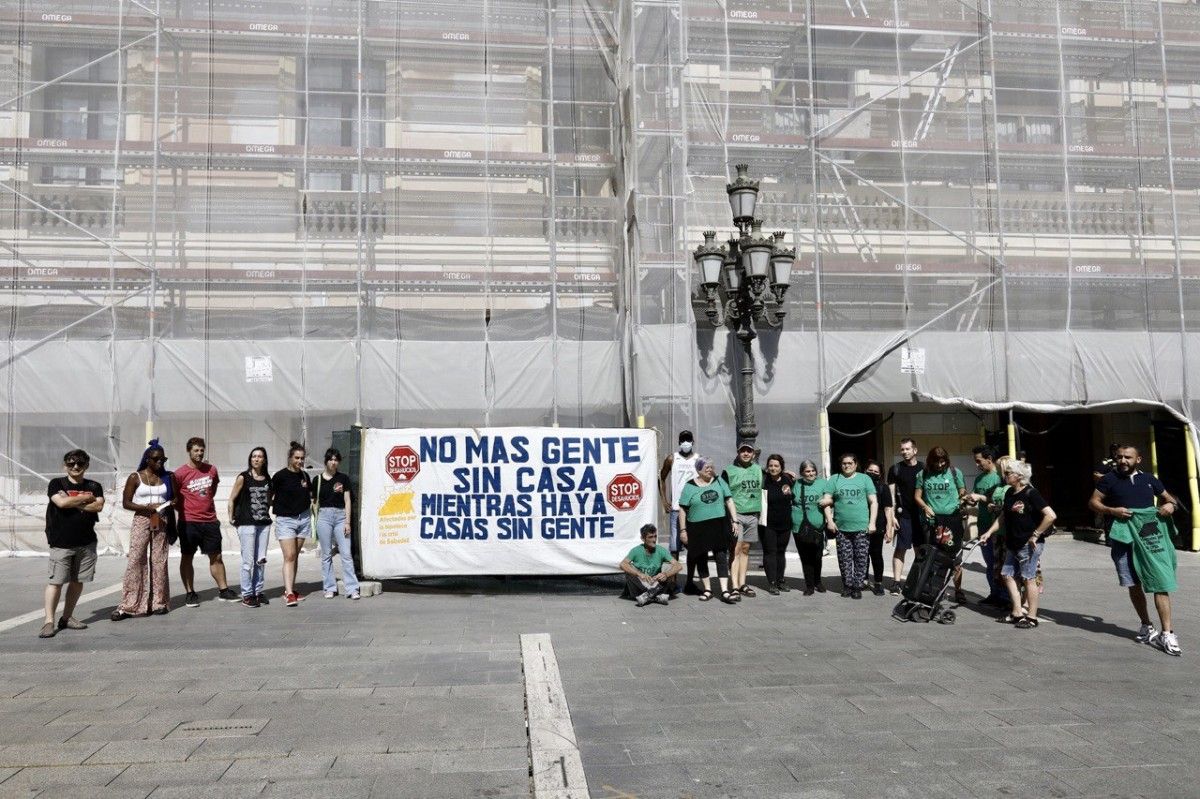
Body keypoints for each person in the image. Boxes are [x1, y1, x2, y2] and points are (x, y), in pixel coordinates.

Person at [1089, 444, 1182, 655]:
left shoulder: (1149, 479)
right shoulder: (1108, 480)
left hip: (1150, 538)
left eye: (1127, 457)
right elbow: (1093, 502)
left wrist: (1170, 506)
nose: (1122, 461)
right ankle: (1146, 625)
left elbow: (1170, 499)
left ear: (1138, 459)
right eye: (1119, 457)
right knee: (1133, 582)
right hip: (1123, 538)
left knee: (1160, 581)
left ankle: (1167, 633)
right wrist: (1111, 510)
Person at [980, 460, 1055, 629]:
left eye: (1007, 473)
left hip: (1028, 544)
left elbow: (1050, 516)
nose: (1004, 475)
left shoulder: (1031, 493)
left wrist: (1036, 535)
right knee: (1007, 575)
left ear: (1019, 476)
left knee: (1029, 579)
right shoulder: (1010, 493)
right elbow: (1003, 517)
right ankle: (1016, 612)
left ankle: (1032, 617)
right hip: (1013, 542)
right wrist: (989, 532)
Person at [40, 449, 104, 638]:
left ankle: (66, 617)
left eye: (80, 463)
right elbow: (60, 504)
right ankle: (48, 622)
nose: (75, 466)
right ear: (64, 465)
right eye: (71, 463)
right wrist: (85, 498)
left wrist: (71, 500)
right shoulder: (56, 483)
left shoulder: (95, 485)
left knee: (78, 581)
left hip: (86, 543)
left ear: (87, 466)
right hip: (61, 542)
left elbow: (98, 506)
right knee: (56, 582)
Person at [173, 437, 238, 606]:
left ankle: (224, 590)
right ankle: (190, 593)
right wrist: (186, 511)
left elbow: (212, 491)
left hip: (210, 521)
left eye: (202, 450)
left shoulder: (212, 470)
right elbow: (175, 498)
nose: (200, 453)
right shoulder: (179, 473)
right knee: (187, 557)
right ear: (189, 451)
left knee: (216, 556)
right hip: (188, 522)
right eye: (196, 450)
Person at [112, 440, 172, 620]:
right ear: (147, 460)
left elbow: (175, 497)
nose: (160, 462)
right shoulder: (135, 477)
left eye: (163, 459)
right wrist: (147, 507)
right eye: (156, 459)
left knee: (159, 560)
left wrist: (168, 504)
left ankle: (158, 602)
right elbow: (126, 502)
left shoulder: (167, 478)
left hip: (160, 519)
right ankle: (130, 604)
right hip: (142, 519)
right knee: (136, 559)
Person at [677, 457, 741, 603]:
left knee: (721, 557)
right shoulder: (690, 486)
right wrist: (683, 530)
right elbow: (682, 509)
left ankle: (724, 591)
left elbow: (729, 500)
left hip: (719, 525)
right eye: (706, 468)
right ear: (698, 470)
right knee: (701, 558)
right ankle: (707, 589)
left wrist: (735, 521)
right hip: (697, 527)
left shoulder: (719, 481)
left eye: (711, 467)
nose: (710, 470)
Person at [914, 445, 967, 602]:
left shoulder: (955, 472)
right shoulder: (923, 474)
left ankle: (958, 590)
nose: (940, 465)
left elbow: (962, 491)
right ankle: (933, 589)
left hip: (953, 520)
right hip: (933, 522)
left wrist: (962, 499)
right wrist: (925, 506)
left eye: (943, 462)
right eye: (936, 462)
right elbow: (917, 496)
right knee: (934, 557)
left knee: (955, 557)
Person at [823, 453, 877, 600]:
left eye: (849, 463)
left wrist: (872, 522)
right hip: (842, 528)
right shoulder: (835, 479)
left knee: (861, 558)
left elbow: (873, 502)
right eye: (844, 463)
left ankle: (857, 586)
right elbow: (826, 501)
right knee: (844, 559)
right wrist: (830, 520)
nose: (846, 466)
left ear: (855, 464)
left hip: (861, 527)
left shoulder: (864, 479)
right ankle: (847, 586)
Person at [228, 446, 273, 608]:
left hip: (263, 524)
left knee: (260, 560)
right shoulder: (243, 477)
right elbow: (232, 498)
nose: (256, 459)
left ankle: (258, 591)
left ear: (264, 460)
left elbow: (269, 499)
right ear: (250, 459)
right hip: (246, 523)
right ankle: (247, 594)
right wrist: (231, 517)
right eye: (254, 456)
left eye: (260, 456)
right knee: (248, 561)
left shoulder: (268, 478)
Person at [314, 448, 360, 601]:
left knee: (346, 554)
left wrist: (347, 522)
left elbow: (347, 501)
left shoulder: (343, 478)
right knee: (326, 554)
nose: (333, 462)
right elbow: (314, 502)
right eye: (330, 459)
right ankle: (329, 587)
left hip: (340, 516)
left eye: (336, 460)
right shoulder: (317, 480)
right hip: (324, 516)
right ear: (326, 461)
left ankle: (352, 588)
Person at [272, 441, 313, 607]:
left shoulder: (304, 476)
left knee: (294, 556)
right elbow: (269, 495)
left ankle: (291, 588)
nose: (300, 461)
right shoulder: (280, 476)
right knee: (289, 556)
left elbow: (309, 494)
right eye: (297, 458)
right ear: (290, 458)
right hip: (286, 520)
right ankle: (288, 593)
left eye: (302, 458)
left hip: (303, 518)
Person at [965, 445, 1006, 606]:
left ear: (989, 460)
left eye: (979, 461)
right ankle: (994, 593)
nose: (977, 465)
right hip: (983, 527)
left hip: (996, 527)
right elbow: (976, 496)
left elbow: (1000, 501)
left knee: (999, 564)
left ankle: (1005, 597)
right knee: (990, 563)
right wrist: (970, 499)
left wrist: (981, 498)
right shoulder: (979, 478)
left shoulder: (999, 478)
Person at [722, 442, 763, 598]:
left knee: (746, 549)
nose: (746, 454)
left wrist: (787, 475)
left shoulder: (758, 470)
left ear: (753, 454)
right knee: (735, 549)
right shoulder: (729, 471)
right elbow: (724, 494)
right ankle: (734, 586)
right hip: (736, 515)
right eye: (743, 451)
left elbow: (770, 480)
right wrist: (730, 519)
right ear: (738, 453)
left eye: (749, 451)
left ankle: (743, 583)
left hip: (752, 514)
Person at [887, 437, 922, 594]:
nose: (904, 452)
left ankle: (919, 582)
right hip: (904, 516)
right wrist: (893, 516)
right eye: (902, 449)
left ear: (915, 450)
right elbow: (891, 494)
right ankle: (896, 582)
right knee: (901, 549)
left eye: (907, 449)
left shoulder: (924, 468)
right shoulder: (895, 469)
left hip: (921, 517)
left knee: (921, 551)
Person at [658, 430, 698, 562]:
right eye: (683, 440)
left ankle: (689, 581)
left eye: (688, 440)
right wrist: (664, 501)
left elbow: (706, 479)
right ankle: (672, 581)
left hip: (694, 508)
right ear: (679, 442)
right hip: (676, 507)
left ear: (693, 442)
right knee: (674, 545)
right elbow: (661, 478)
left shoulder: (698, 459)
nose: (685, 443)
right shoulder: (672, 458)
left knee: (693, 545)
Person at [619, 523, 681, 606]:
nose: (654, 540)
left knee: (670, 567)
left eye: (655, 536)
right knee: (628, 569)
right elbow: (622, 564)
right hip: (641, 584)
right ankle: (656, 596)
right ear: (643, 539)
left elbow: (678, 566)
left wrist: (666, 574)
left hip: (655, 583)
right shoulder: (636, 550)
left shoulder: (661, 550)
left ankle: (648, 596)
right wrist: (639, 574)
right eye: (650, 537)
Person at [790, 460, 827, 595]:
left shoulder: (823, 483)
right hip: (799, 527)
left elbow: (830, 499)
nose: (811, 474)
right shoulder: (796, 484)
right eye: (807, 471)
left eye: (813, 471)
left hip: (817, 526)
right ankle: (809, 585)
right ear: (802, 473)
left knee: (817, 556)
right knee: (805, 557)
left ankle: (818, 581)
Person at [761, 454, 794, 594]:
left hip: (785, 524)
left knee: (781, 552)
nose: (773, 468)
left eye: (776, 466)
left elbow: (794, 495)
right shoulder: (764, 480)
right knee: (770, 552)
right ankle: (772, 583)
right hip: (768, 524)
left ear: (781, 468)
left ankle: (781, 580)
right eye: (771, 465)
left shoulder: (787, 480)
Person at [863, 460, 894, 596]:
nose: (873, 473)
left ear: (880, 474)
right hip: (861, 524)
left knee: (876, 554)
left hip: (878, 525)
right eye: (870, 471)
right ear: (865, 470)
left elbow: (888, 509)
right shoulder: (860, 485)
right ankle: (863, 580)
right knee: (862, 554)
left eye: (876, 472)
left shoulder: (883, 487)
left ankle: (878, 583)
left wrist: (889, 528)